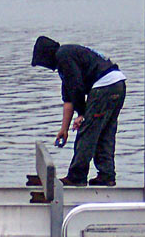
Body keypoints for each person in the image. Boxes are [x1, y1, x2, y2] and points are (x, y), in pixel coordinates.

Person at [31, 36, 126, 187]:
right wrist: (64, 129)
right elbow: (69, 100)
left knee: (87, 132)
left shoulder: (63, 56)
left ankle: (77, 176)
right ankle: (106, 175)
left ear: (46, 55)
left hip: (104, 86)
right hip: (118, 85)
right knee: (105, 132)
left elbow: (77, 88)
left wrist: (82, 114)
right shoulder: (67, 58)